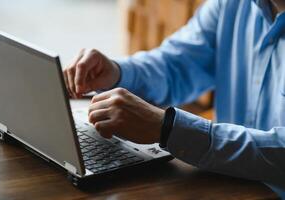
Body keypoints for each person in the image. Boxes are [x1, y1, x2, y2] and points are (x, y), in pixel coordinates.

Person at [63, 0, 285, 198]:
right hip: (224, 183)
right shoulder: (231, 5)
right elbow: (175, 65)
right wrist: (117, 72)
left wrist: (170, 128)